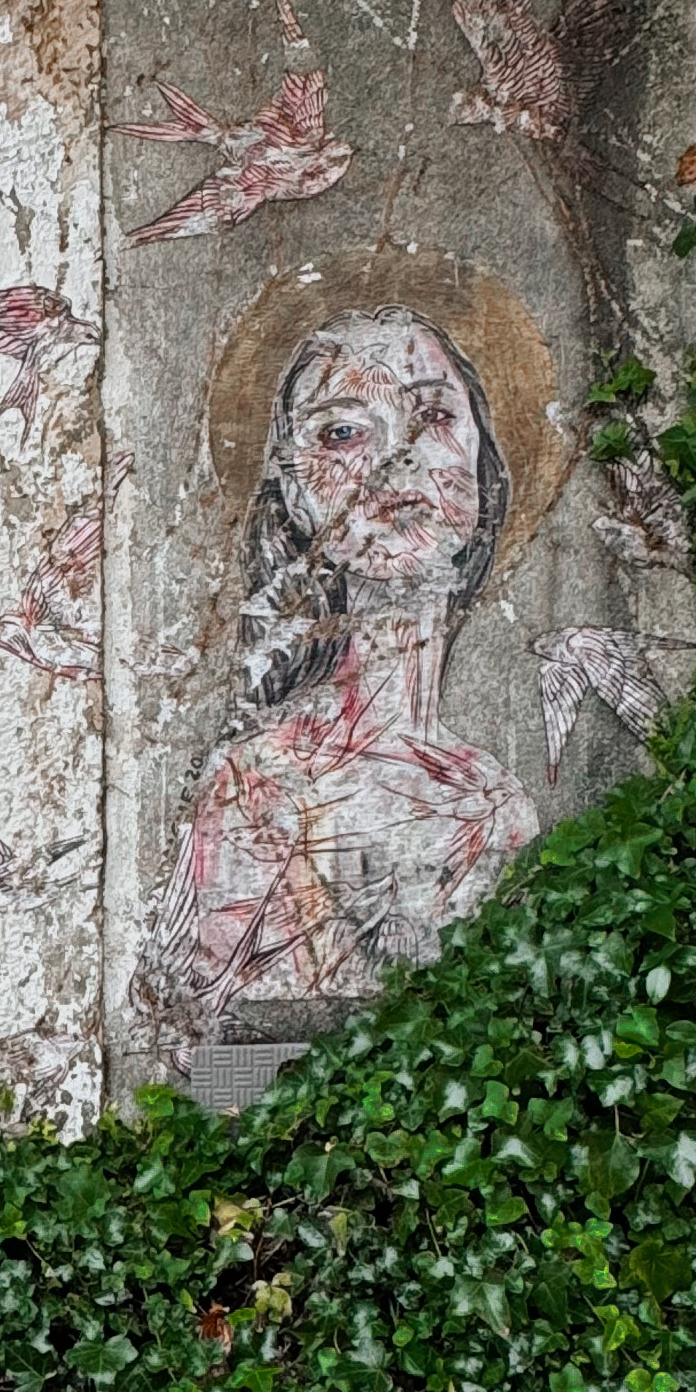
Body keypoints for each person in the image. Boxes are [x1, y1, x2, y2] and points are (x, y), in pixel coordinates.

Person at [142, 309, 537, 1037]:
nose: (397, 459)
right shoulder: (254, 787)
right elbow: (220, 1046)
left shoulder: (498, 803)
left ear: (483, 463)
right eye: (345, 432)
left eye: (432, 416)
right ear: (293, 493)